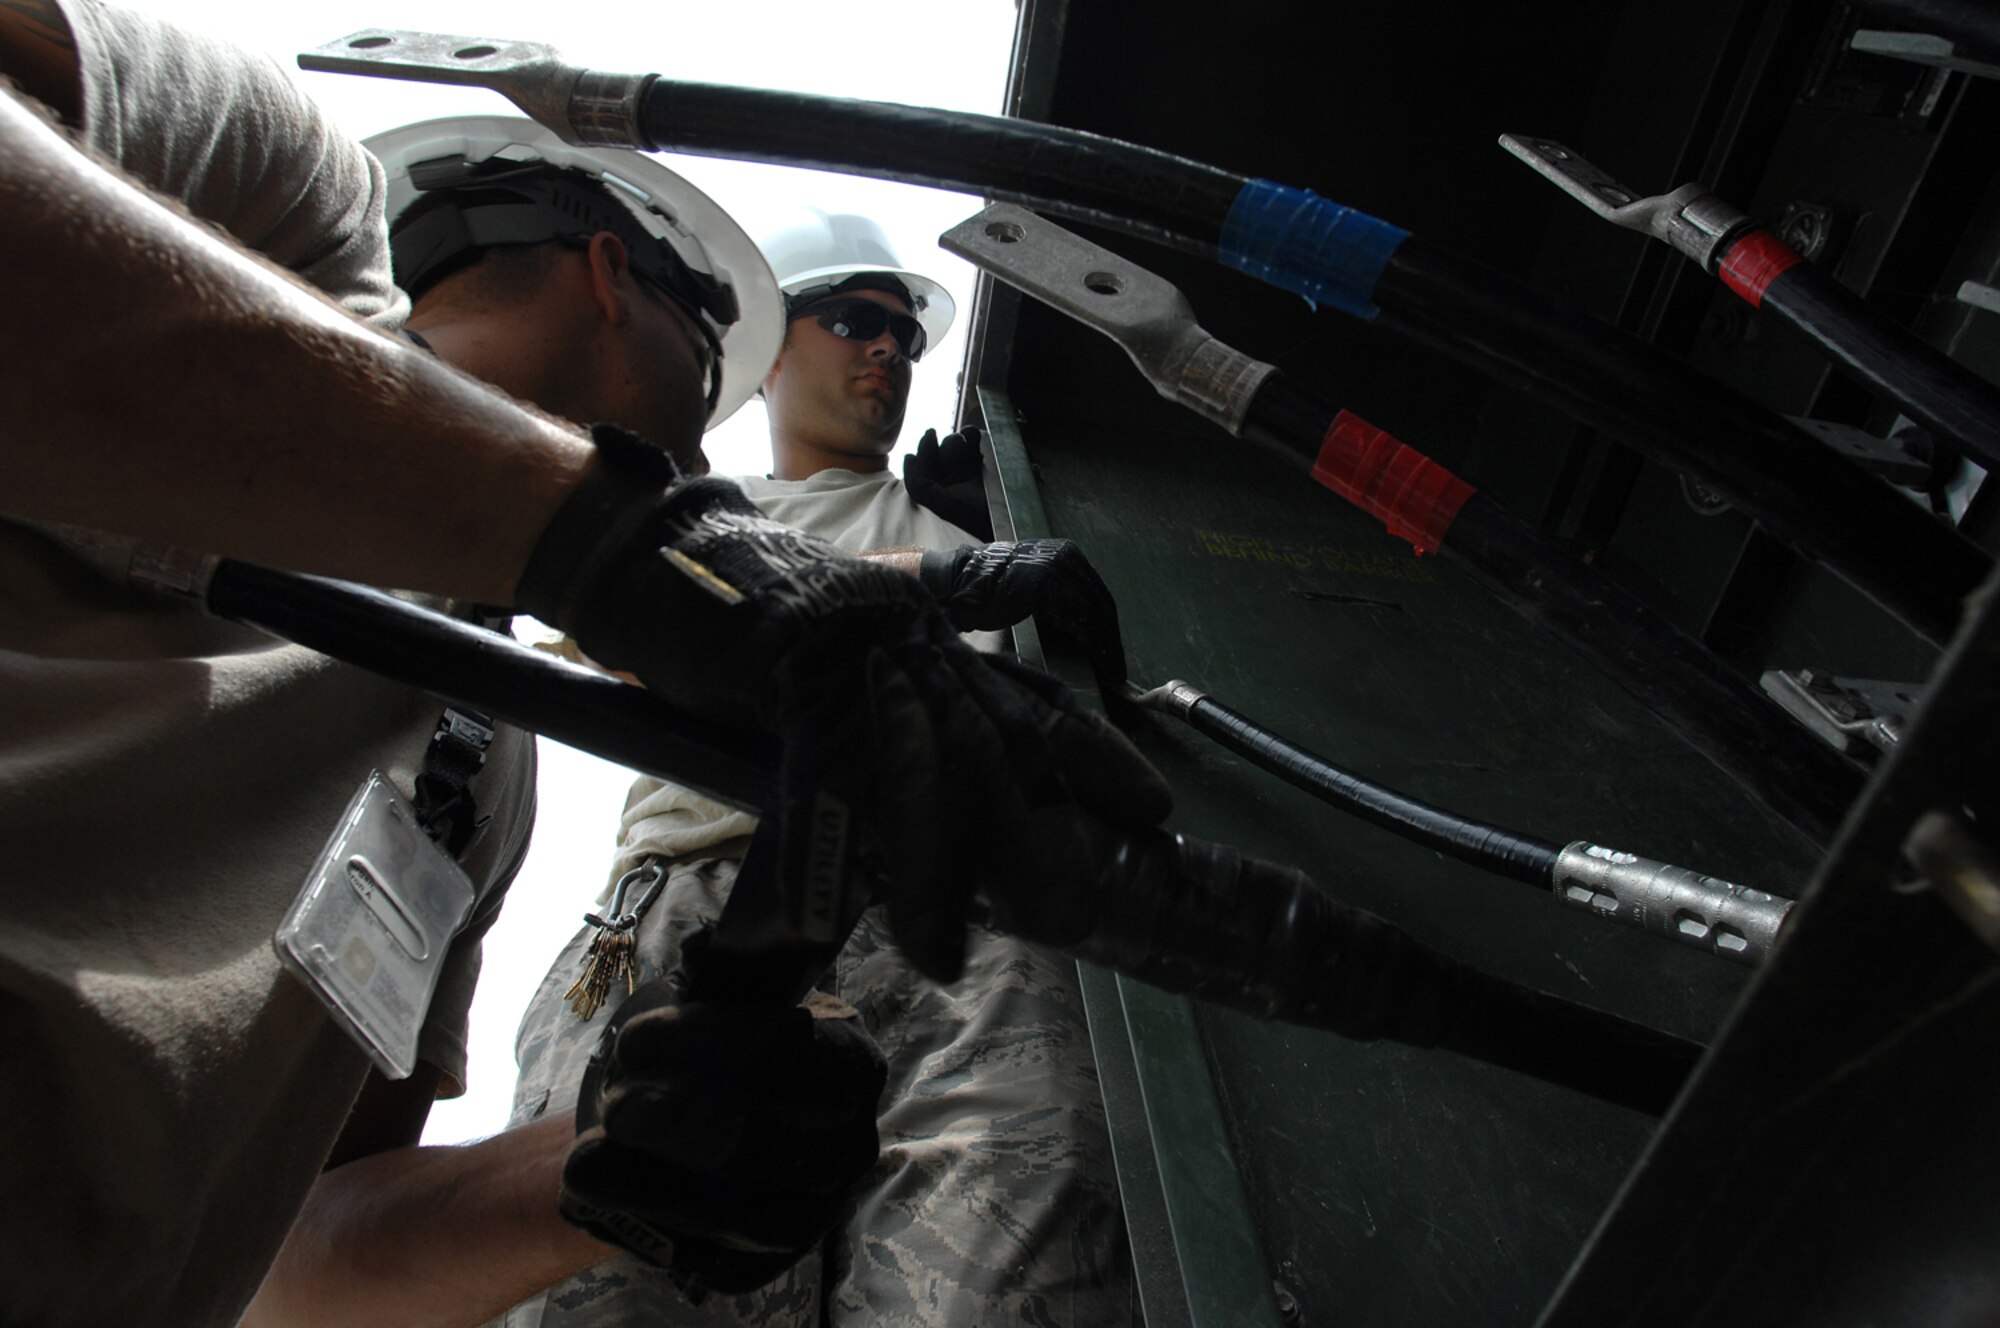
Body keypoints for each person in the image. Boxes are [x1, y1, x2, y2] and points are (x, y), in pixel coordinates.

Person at [0, 8, 1167, 1325]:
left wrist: (599, 1163)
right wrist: (587, 540)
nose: (702, 456)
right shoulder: (289, 197)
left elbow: (291, 1267)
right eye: (716, 347)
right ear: (614, 274)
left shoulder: (471, 771)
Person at [492, 212, 1144, 1328]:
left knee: (1004, 1284)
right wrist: (932, 580)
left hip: (964, 925)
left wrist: (998, 526)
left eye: (904, 333)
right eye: (849, 318)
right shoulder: (695, 509)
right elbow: (647, 630)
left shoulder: (978, 522)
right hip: (710, 904)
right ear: (767, 355)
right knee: (616, 1271)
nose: (887, 346)